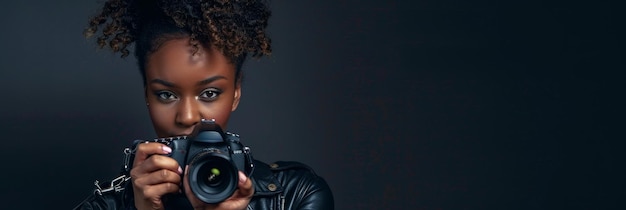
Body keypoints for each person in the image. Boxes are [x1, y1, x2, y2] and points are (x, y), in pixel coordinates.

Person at [73, 0, 334, 209]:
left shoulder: (295, 196)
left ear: (236, 93)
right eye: (166, 95)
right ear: (147, 96)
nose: (187, 117)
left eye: (209, 93)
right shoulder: (106, 205)